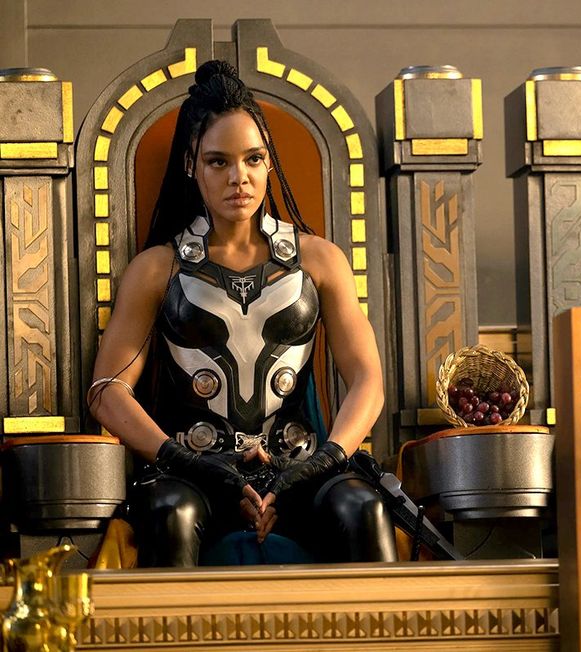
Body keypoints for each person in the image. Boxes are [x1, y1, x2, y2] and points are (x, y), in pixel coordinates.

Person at [87, 60, 397, 567]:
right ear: (191, 164)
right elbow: (106, 390)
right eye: (219, 162)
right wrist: (186, 461)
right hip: (194, 474)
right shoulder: (157, 269)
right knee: (171, 512)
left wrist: (320, 464)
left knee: (363, 508)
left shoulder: (320, 259)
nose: (240, 178)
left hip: (302, 469)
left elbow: (368, 380)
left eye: (254, 159)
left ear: (269, 160)